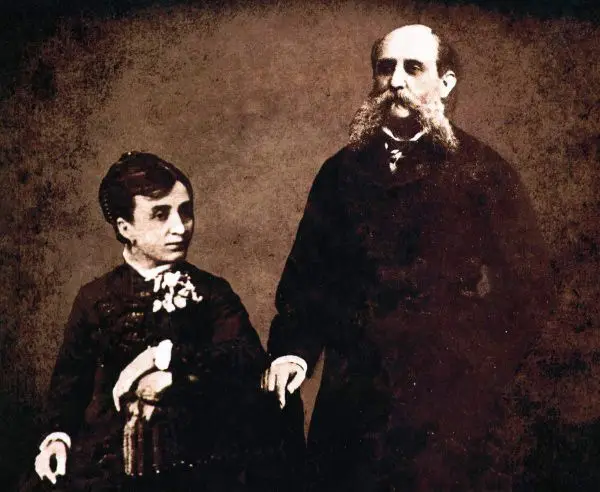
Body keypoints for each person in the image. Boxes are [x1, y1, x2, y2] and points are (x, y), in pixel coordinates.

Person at [262, 24, 553, 491]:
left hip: (445, 400)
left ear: (446, 82)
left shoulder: (482, 171)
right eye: (386, 68)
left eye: (413, 68)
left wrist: (480, 366)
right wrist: (293, 351)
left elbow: (530, 287)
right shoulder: (340, 172)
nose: (396, 81)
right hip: (353, 393)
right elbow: (308, 278)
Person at [32, 152, 297, 492]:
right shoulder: (94, 297)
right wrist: (57, 438)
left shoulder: (211, 291)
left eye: (186, 211)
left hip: (196, 452)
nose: (179, 227)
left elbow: (245, 358)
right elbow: (69, 385)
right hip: (112, 458)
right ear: (125, 228)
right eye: (160, 215)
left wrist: (164, 359)